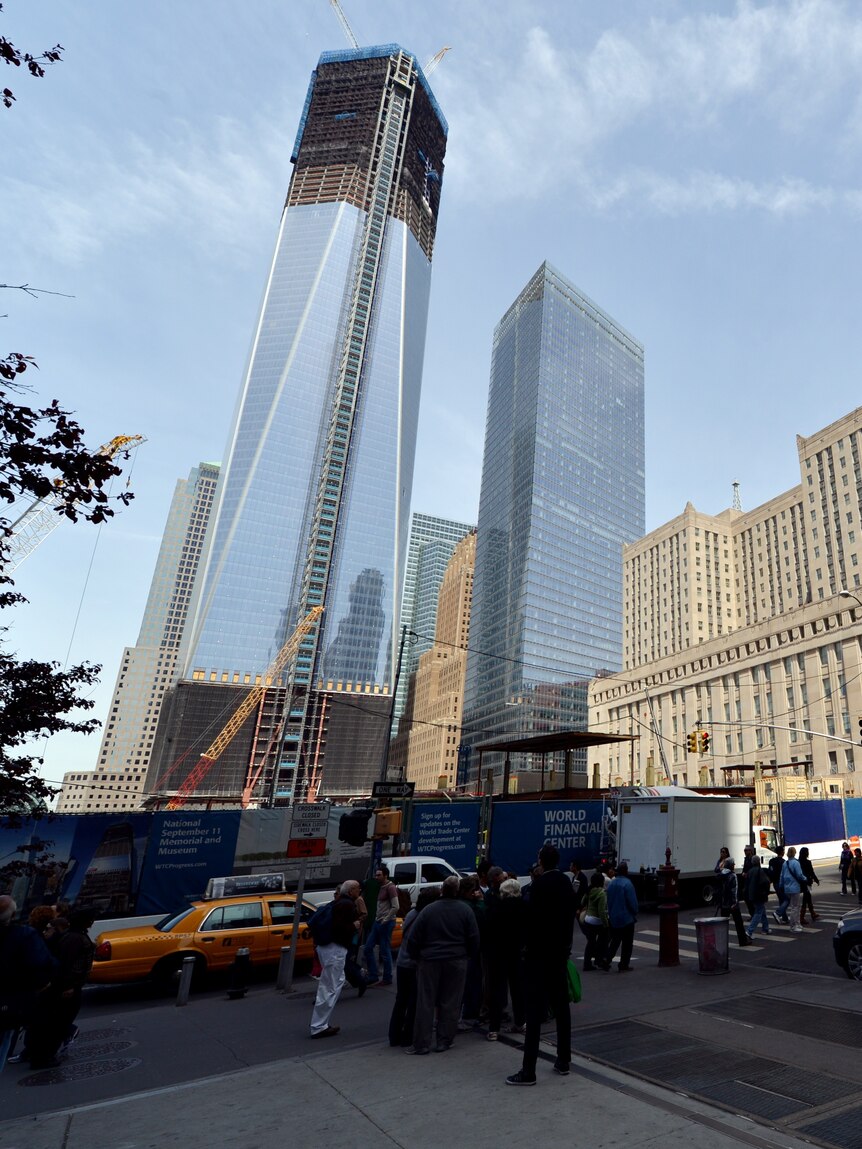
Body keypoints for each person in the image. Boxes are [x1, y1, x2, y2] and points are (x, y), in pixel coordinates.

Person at [506, 844, 576, 1086]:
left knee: (534, 1012)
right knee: (561, 1007)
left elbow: (532, 922)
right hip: (559, 954)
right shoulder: (566, 883)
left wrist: (527, 949)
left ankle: (528, 1070)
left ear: (541, 861)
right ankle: (564, 1059)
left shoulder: (539, 886)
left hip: (539, 956)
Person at [407, 875, 479, 1054]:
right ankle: (444, 1040)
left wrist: (416, 956)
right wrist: (468, 955)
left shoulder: (429, 910)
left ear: (442, 889)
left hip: (430, 960)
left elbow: (414, 937)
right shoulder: (465, 910)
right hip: (456, 959)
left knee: (426, 1002)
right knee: (451, 1001)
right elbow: (474, 938)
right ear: (457, 891)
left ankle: (422, 1044)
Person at [19, 906, 95, 1070]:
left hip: (66, 985)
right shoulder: (75, 938)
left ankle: (40, 1054)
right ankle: (43, 1056)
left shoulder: (72, 937)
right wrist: (68, 985)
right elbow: (67, 964)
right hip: (67, 987)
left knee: (55, 1021)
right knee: (58, 1022)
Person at [0, 896, 56, 1073]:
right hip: (10, 1002)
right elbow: (42, 963)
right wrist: (43, 983)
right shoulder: (23, 935)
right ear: (13, 914)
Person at [309, 879, 363, 1039]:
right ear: (352, 890)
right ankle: (318, 1026)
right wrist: (354, 926)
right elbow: (340, 928)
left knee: (335, 982)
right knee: (330, 986)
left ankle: (320, 1023)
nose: (359, 891)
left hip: (326, 946)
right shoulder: (347, 905)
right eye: (358, 889)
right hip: (335, 948)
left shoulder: (337, 903)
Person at [388, 887, 439, 1048]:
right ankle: (407, 1036)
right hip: (415, 964)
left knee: (401, 1000)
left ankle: (394, 1035)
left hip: (403, 963)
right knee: (414, 1001)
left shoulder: (411, 914)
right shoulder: (426, 917)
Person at [485, 879, 527, 1040]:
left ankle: (494, 1028)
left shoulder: (496, 908)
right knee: (518, 989)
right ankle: (520, 1021)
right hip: (517, 953)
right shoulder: (524, 907)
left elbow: (488, 930)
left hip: (498, 954)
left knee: (497, 990)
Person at [364, 865, 399, 987]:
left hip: (386, 923)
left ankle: (387, 977)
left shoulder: (390, 887)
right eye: (376, 874)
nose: (376, 877)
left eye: (379, 875)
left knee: (385, 950)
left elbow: (396, 906)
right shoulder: (380, 887)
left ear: (385, 875)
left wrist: (386, 919)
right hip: (378, 921)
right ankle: (373, 974)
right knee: (368, 948)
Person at [605, 862, 640, 970]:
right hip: (626, 918)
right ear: (625, 871)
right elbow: (632, 903)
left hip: (614, 917)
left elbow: (608, 901)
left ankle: (607, 959)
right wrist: (635, 912)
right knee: (627, 943)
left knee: (615, 941)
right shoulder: (627, 884)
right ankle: (623, 964)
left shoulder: (612, 883)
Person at [717, 860, 751, 947]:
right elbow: (734, 891)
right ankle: (743, 941)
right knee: (739, 923)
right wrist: (735, 902)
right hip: (732, 904)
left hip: (723, 904)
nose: (734, 866)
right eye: (733, 865)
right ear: (731, 866)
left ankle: (721, 942)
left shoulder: (721, 875)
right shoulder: (732, 875)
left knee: (723, 925)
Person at [581, 871, 609, 971]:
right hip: (597, 921)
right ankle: (600, 960)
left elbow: (582, 902)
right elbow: (601, 912)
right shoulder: (602, 893)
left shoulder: (589, 890)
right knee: (603, 940)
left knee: (590, 943)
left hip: (588, 920)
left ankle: (587, 964)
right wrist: (606, 924)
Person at [778, 846, 806, 934]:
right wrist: (805, 879)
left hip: (787, 888)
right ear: (794, 853)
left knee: (794, 906)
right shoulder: (796, 863)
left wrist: (781, 885)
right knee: (795, 907)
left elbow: (781, 876)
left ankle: (797, 924)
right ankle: (793, 926)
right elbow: (799, 875)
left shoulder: (785, 863)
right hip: (795, 887)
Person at [745, 855, 771, 939]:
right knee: (758, 912)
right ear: (759, 861)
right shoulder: (760, 871)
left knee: (761, 910)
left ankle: (765, 928)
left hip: (752, 895)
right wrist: (766, 892)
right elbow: (766, 882)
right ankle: (749, 931)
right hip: (759, 895)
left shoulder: (750, 871)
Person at [798, 847, 819, 924]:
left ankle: (812, 913)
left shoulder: (798, 862)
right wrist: (816, 880)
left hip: (801, 882)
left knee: (808, 897)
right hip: (807, 882)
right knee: (805, 899)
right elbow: (811, 872)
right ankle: (802, 917)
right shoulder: (807, 862)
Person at [768, 846, 789, 924]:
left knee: (781, 899)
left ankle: (785, 918)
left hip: (775, 882)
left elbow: (770, 871)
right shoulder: (784, 862)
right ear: (782, 852)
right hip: (781, 883)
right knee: (787, 899)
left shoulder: (772, 861)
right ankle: (778, 913)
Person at [741, 845, 756, 916]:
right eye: (744, 850)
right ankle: (752, 914)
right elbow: (744, 868)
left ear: (750, 851)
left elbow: (755, 870)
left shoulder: (753, 859)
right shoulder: (746, 859)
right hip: (746, 881)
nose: (745, 852)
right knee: (746, 898)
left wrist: (748, 874)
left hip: (752, 881)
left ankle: (754, 914)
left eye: (746, 850)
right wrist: (743, 873)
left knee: (751, 899)